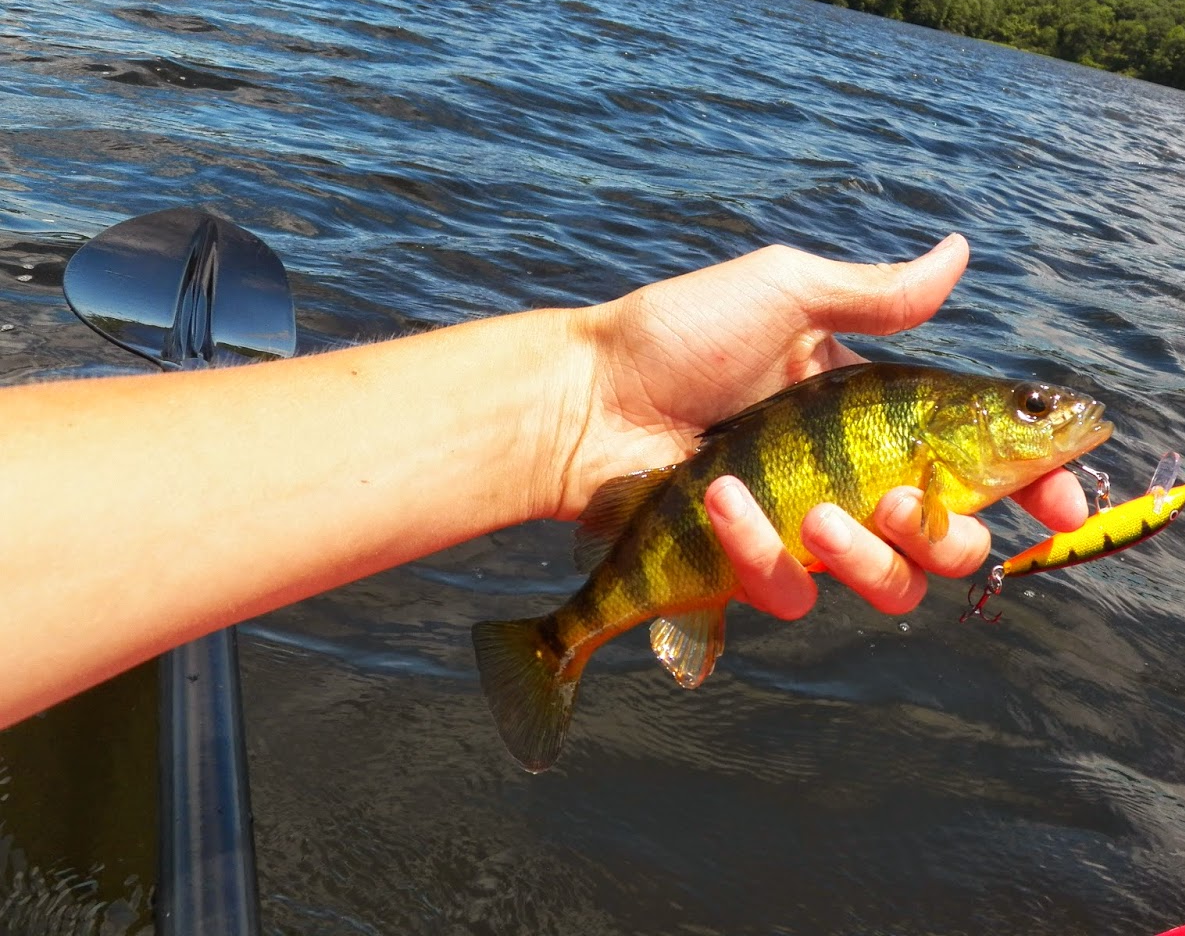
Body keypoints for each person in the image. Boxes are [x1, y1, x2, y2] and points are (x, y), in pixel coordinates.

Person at [0, 233, 1090, 729]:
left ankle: (573, 635)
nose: (1055, 420)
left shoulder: (945, 458)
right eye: (1032, 407)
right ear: (966, 421)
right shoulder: (931, 426)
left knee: (730, 571)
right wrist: (584, 389)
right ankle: (560, 640)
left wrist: (573, 401)